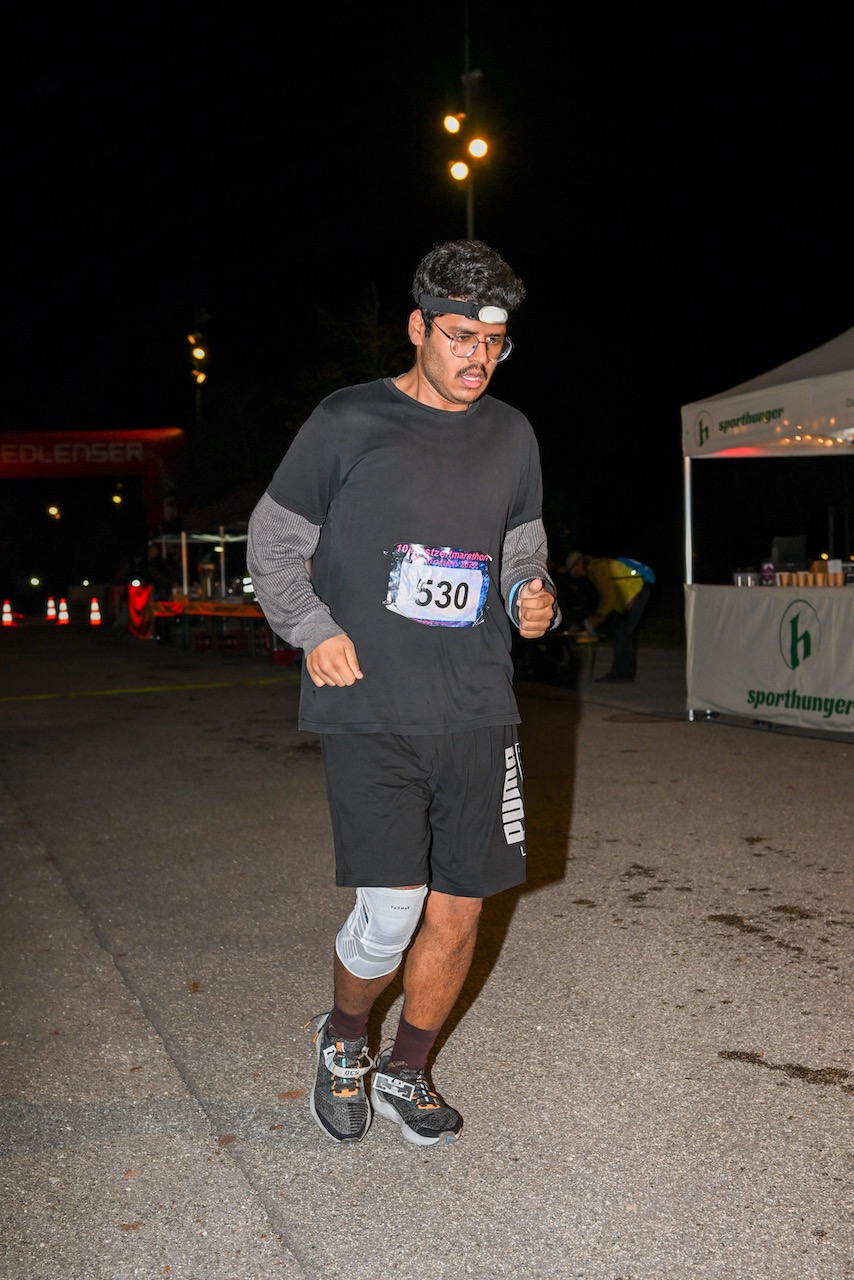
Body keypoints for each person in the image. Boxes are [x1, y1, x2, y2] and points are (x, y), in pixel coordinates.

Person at [247, 239, 559, 1148]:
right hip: (372, 704)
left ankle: (406, 1070)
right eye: (459, 336)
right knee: (390, 914)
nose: (476, 359)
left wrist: (528, 596)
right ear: (419, 327)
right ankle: (345, 1039)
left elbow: (521, 547)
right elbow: (272, 544)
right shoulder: (346, 422)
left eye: (493, 344)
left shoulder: (513, 434)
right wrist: (313, 629)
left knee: (460, 910)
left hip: (476, 707)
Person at [565, 551, 653, 682]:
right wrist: (603, 615)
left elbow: (609, 597)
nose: (577, 575)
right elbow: (612, 593)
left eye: (575, 571)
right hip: (631, 595)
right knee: (621, 632)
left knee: (622, 633)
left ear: (580, 563)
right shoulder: (596, 566)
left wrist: (599, 616)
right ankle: (624, 674)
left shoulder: (596, 569)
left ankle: (621, 675)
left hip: (637, 592)